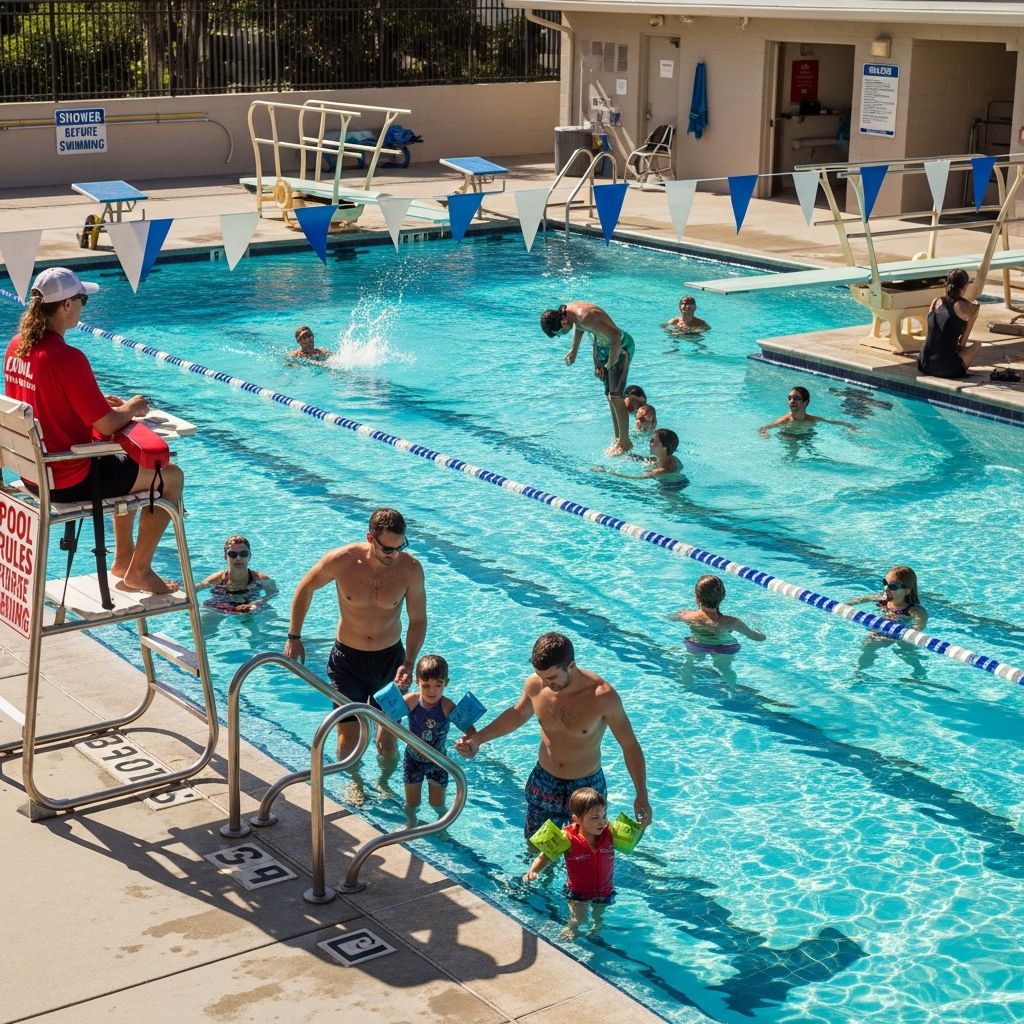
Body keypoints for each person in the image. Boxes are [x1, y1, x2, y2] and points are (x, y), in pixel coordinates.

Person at [3, 267, 185, 594]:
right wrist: (132, 407)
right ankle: (139, 571)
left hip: (35, 476)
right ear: (66, 306)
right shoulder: (67, 357)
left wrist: (98, 402)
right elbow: (106, 424)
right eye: (82, 299)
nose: (84, 306)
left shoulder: (17, 346)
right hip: (70, 478)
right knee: (170, 475)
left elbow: (42, 398)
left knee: (124, 462)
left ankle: (123, 559)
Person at [455, 632, 651, 840]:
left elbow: (629, 745)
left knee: (585, 850)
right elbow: (518, 714)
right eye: (541, 676)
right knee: (536, 845)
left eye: (551, 678)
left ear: (571, 666)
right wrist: (478, 740)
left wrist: (641, 794)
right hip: (544, 780)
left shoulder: (602, 696)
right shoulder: (536, 684)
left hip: (586, 787)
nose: (546, 684)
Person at [284, 507, 427, 771]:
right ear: (370, 538)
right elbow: (306, 587)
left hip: (390, 662)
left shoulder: (410, 569)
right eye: (388, 549)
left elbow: (417, 620)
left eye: (400, 547)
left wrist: (408, 662)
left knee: (387, 738)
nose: (394, 555)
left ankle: (384, 787)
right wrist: (294, 636)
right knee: (348, 737)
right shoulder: (342, 560)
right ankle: (354, 788)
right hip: (347, 661)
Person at [540, 301, 636, 455]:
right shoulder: (570, 312)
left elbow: (616, 335)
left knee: (615, 396)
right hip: (604, 347)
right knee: (609, 396)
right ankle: (619, 438)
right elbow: (579, 328)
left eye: (561, 332)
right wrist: (574, 351)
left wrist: (610, 363)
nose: (563, 334)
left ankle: (625, 443)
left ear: (562, 321)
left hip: (621, 347)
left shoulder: (585, 316)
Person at [523, 787, 615, 938]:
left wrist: (643, 824)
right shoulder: (566, 837)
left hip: (605, 891)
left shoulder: (609, 833)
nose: (602, 822)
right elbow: (544, 856)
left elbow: (633, 837)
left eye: (604, 815)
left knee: (599, 917)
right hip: (577, 893)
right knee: (579, 919)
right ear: (577, 819)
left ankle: (596, 930)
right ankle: (571, 930)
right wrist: (533, 871)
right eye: (594, 818)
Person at [401, 653, 456, 828]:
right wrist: (399, 690)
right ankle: (411, 823)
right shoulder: (411, 701)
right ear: (418, 682)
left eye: (437, 685)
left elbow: (468, 728)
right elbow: (389, 716)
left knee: (437, 804)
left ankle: (442, 827)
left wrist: (468, 740)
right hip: (413, 759)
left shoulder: (447, 706)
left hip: (438, 762)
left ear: (445, 683)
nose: (432, 691)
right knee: (412, 803)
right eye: (426, 685)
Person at [670, 574, 766, 655]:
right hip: (724, 649)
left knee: (689, 664)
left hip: (697, 646)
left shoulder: (686, 615)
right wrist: (759, 630)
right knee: (725, 669)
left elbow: (670, 618)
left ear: (696, 597)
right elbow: (755, 637)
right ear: (722, 596)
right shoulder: (732, 622)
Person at [916, 269, 982, 379]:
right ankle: (953, 364)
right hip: (946, 369)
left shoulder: (935, 302)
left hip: (924, 364)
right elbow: (962, 343)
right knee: (977, 345)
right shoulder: (964, 307)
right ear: (964, 287)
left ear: (947, 283)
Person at [197, 534, 277, 614]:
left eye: (243, 554)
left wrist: (261, 601)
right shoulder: (217, 579)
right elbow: (194, 589)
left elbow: (273, 592)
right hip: (220, 605)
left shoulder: (260, 579)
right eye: (232, 554)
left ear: (249, 556)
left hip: (251, 605)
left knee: (271, 615)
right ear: (225, 557)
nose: (238, 558)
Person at [846, 565, 928, 632]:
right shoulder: (883, 599)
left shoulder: (913, 610)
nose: (886, 588)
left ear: (906, 591)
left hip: (900, 633)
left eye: (893, 586)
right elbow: (862, 599)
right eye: (885, 583)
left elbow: (919, 625)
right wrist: (845, 605)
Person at [594, 428, 685, 487]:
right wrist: (626, 455)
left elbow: (634, 477)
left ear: (663, 446)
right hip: (677, 483)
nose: (649, 443)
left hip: (670, 491)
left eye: (652, 441)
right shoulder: (669, 457)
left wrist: (606, 471)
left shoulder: (663, 469)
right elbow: (645, 459)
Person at [758, 386, 858, 437]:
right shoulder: (785, 420)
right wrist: (764, 434)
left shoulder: (811, 419)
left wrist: (849, 425)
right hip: (789, 436)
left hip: (805, 436)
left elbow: (830, 421)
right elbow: (762, 428)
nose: (792, 401)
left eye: (796, 398)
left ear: (806, 402)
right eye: (790, 398)